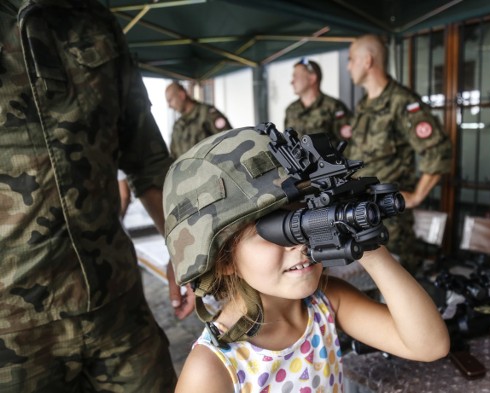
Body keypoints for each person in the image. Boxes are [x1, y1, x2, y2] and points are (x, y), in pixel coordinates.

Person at [163, 127, 450, 392]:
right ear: (223, 260)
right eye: (275, 232)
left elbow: (429, 345)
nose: (299, 242)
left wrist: (369, 246)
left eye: (308, 221)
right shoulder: (212, 367)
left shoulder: (324, 303)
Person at [0, 0, 183, 391]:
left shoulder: (92, 17)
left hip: (118, 303)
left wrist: (186, 248)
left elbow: (147, 157)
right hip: (12, 330)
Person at [345, 34, 452, 275]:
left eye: (351, 59)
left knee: (396, 294)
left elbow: (438, 150)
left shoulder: (402, 102)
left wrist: (415, 197)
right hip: (360, 215)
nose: (348, 66)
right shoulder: (364, 106)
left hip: (391, 224)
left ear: (367, 61)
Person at [284, 58, 352, 145]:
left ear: (312, 78)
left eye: (296, 76)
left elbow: (348, 144)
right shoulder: (291, 110)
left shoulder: (333, 107)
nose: (292, 81)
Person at [165, 81, 233, 160]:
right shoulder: (177, 125)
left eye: (170, 100)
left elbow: (229, 142)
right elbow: (173, 156)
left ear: (181, 95)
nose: (169, 106)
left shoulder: (207, 114)